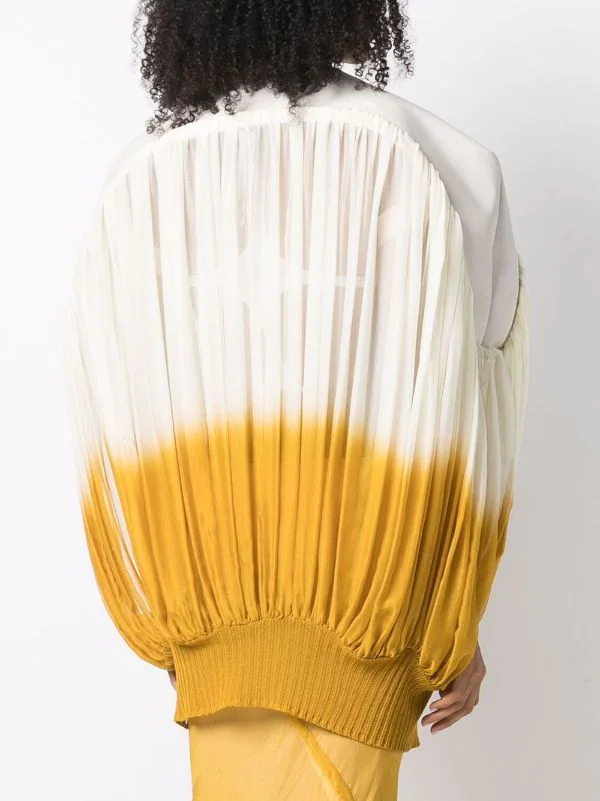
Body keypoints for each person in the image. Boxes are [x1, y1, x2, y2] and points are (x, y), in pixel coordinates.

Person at [63, 2, 529, 798]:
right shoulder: (441, 159)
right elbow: (466, 407)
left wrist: (185, 616)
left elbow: (121, 402)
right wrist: (453, 620)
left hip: (207, 635)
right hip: (372, 624)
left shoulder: (140, 177)